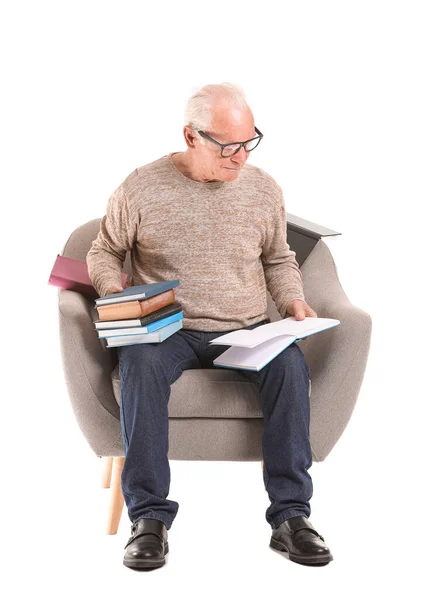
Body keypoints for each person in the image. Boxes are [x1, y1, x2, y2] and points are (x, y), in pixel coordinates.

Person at [87, 82, 333, 570]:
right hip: (168, 327)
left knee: (289, 367)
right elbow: (103, 251)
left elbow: (279, 258)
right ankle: (149, 520)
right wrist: (112, 289)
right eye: (228, 145)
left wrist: (293, 301)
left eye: (249, 142)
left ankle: (291, 518)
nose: (241, 156)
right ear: (190, 136)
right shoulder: (141, 186)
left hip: (245, 328)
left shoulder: (263, 188)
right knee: (139, 362)